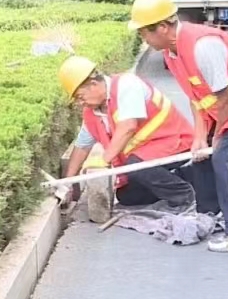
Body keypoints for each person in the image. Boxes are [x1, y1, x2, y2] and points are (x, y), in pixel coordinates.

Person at [128, 0, 228, 253]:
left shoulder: (202, 46)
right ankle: (210, 213)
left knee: (226, 160)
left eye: (144, 31)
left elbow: (226, 99)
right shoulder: (172, 52)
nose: (142, 37)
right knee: (200, 155)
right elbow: (196, 98)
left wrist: (219, 135)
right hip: (225, 109)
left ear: (163, 27)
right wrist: (200, 138)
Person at [57, 55, 198, 222]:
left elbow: (128, 126)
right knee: (127, 196)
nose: (81, 103)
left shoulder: (127, 85)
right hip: (144, 155)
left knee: (136, 166)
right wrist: (67, 182)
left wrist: (105, 160)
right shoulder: (92, 113)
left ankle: (184, 197)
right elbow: (82, 147)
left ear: (94, 85)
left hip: (174, 140)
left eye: (81, 97)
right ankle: (181, 178)